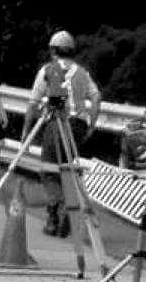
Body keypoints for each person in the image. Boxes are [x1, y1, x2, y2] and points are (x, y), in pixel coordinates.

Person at [25, 30, 101, 238]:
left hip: (56, 123)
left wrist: (26, 131)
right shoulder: (82, 73)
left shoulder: (48, 70)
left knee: (49, 171)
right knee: (67, 170)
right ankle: (66, 210)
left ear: (52, 50)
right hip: (77, 126)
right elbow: (96, 98)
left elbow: (33, 103)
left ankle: (56, 212)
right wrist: (91, 125)